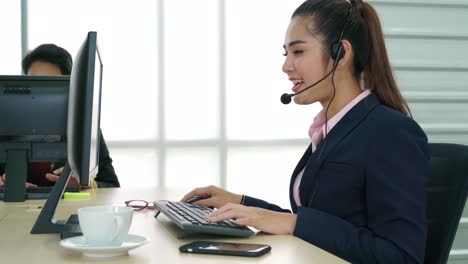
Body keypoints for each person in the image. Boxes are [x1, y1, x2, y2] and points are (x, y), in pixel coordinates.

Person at [181, 0, 429, 263]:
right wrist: (240, 202)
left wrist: (294, 224)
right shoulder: (331, 129)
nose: (286, 66)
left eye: (298, 52)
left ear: (340, 54)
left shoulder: (391, 133)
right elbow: (315, 221)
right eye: (285, 54)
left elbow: (402, 256)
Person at [0, 44, 120, 188]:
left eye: (48, 83)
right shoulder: (8, 123)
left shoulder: (85, 128)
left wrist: (87, 184)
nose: (39, 92)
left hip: (67, 209)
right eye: (34, 81)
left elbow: (111, 184)